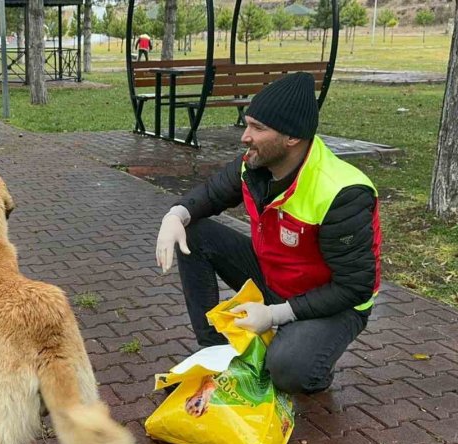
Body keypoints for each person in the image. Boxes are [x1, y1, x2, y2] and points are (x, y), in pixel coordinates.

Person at [155, 72, 382, 395]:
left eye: (258, 128)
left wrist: (274, 314)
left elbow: (354, 287)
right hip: (275, 277)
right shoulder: (254, 164)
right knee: (193, 232)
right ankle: (214, 351)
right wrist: (175, 215)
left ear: (291, 138)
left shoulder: (343, 192)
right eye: (247, 124)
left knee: (289, 371)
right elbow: (211, 194)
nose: (245, 137)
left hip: (333, 301)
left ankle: (314, 365)